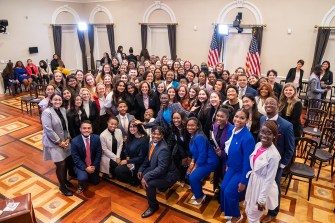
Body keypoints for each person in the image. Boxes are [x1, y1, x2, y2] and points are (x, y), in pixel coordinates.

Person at [260, 97, 295, 223]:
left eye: (272, 103)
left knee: (274, 188)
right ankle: (262, 203)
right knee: (263, 184)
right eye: (267, 103)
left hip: (276, 163)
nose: (269, 105)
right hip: (263, 160)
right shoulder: (262, 119)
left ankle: (273, 212)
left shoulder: (286, 125)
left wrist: (282, 165)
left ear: (278, 107)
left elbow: (290, 149)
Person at [220, 109, 255, 223]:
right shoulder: (231, 129)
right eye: (236, 116)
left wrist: (243, 181)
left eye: (242, 118)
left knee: (230, 192)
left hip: (241, 171)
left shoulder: (248, 138)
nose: (238, 120)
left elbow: (248, 162)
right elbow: (229, 149)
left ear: (246, 120)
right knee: (223, 188)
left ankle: (236, 216)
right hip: (231, 167)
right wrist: (228, 164)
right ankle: (229, 212)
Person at [138, 126, 179, 218]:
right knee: (143, 174)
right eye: (154, 133)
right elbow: (147, 158)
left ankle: (153, 207)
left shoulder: (163, 149)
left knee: (149, 183)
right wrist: (141, 169)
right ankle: (161, 187)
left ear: (162, 135)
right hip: (158, 169)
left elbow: (162, 168)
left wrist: (146, 177)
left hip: (169, 175)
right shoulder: (151, 143)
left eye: (158, 134)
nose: (155, 136)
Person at [245, 121, 281, 223]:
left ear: (274, 136)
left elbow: (269, 180)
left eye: (268, 133)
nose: (264, 135)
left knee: (253, 215)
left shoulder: (274, 155)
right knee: (248, 210)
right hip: (254, 182)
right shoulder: (258, 145)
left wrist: (261, 200)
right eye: (262, 131)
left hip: (262, 187)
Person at [42, 93, 74, 196]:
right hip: (54, 142)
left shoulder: (63, 110)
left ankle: (65, 180)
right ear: (50, 101)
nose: (57, 102)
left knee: (66, 161)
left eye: (59, 100)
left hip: (65, 140)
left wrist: (68, 138)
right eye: (55, 100)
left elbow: (67, 126)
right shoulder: (47, 112)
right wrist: (59, 142)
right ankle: (62, 186)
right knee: (61, 164)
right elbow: (48, 130)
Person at [186, 117, 219, 205]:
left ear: (197, 126)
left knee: (193, 177)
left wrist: (194, 167)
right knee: (188, 174)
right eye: (188, 125)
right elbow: (195, 152)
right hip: (202, 160)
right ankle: (197, 192)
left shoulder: (199, 137)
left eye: (192, 125)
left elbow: (202, 155)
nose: (190, 127)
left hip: (210, 162)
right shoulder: (193, 135)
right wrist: (192, 162)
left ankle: (200, 197)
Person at [71, 120, 102, 193]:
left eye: (89, 128)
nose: (86, 130)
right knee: (82, 178)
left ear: (92, 129)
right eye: (84, 128)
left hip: (92, 164)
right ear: (80, 129)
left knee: (95, 182)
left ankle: (89, 175)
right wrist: (85, 168)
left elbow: (99, 153)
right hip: (81, 165)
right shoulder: (75, 141)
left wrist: (94, 166)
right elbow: (76, 159)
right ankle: (80, 184)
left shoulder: (97, 138)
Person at [114, 119, 149, 185]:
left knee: (118, 170)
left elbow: (141, 158)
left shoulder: (144, 140)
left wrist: (128, 162)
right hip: (130, 160)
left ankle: (134, 181)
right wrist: (128, 159)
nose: (132, 128)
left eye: (134, 126)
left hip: (138, 164)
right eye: (130, 126)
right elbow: (126, 150)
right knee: (116, 167)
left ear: (138, 127)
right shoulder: (130, 137)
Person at [168, 111, 191, 187]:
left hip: (192, 149)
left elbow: (191, 144)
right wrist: (184, 156)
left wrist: (188, 156)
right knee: (175, 156)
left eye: (178, 118)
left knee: (189, 163)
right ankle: (181, 178)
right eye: (174, 118)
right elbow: (178, 143)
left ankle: (189, 179)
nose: (175, 120)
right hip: (182, 147)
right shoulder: (173, 128)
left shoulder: (188, 128)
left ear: (182, 118)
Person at [211, 107, 232, 192]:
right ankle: (218, 189)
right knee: (217, 175)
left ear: (227, 118)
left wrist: (222, 153)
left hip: (226, 159)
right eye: (218, 116)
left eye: (222, 116)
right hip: (217, 156)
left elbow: (231, 148)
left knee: (224, 177)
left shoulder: (231, 129)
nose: (219, 118)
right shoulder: (215, 125)